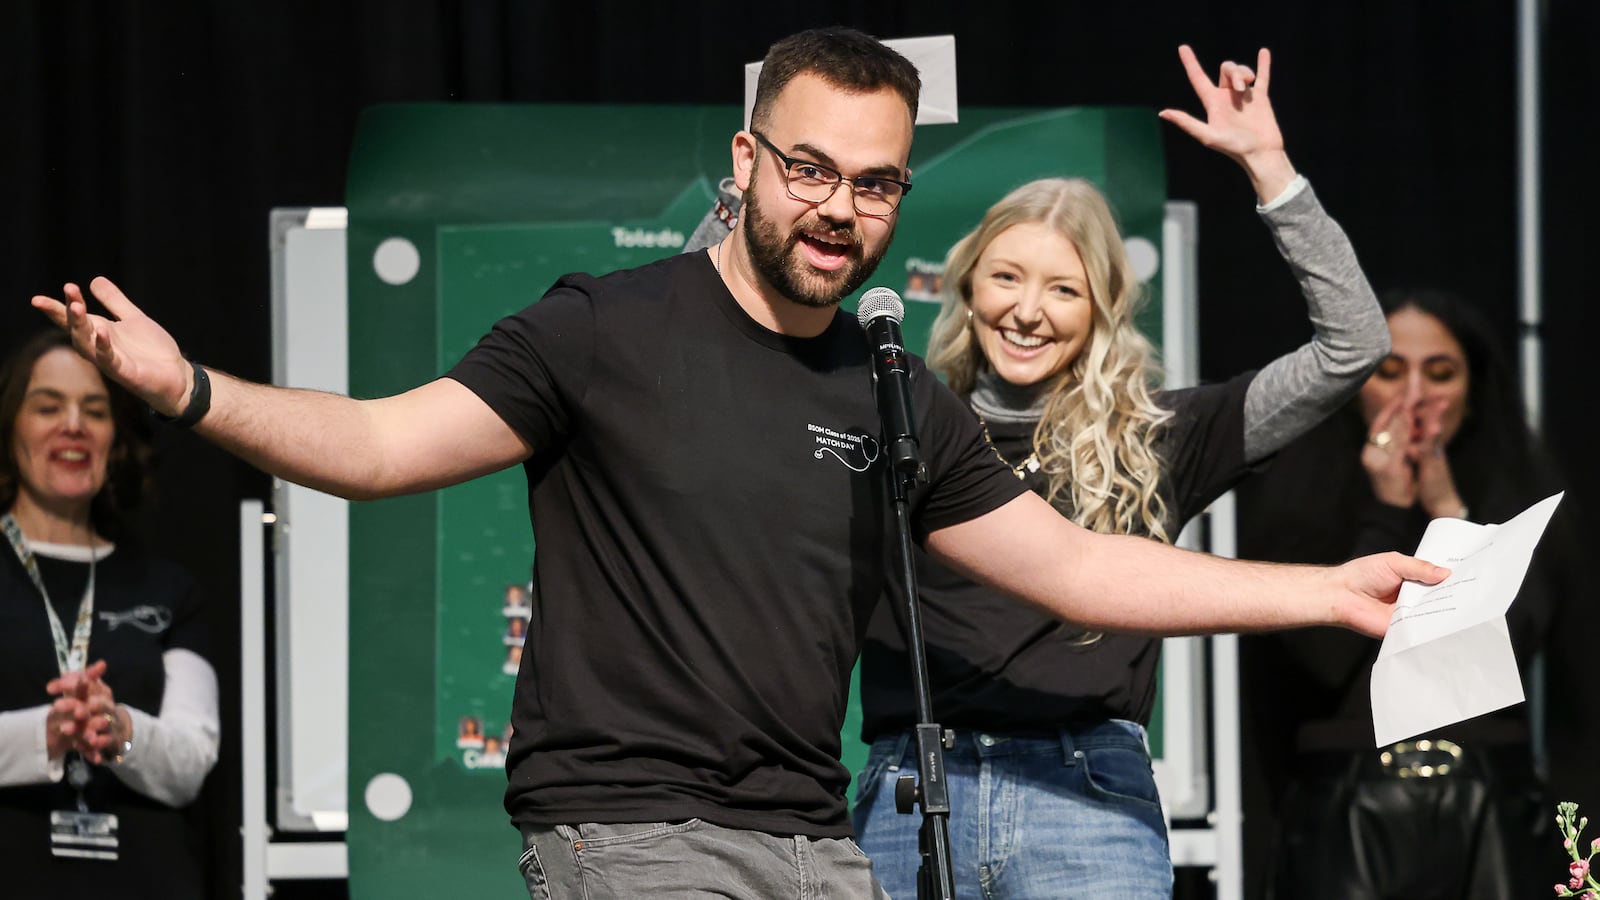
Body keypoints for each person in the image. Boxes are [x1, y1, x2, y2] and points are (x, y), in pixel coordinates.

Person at [31, 27, 1443, 899]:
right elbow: (386, 444)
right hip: (629, 835)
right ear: (749, 160)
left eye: (876, 181)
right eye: (811, 168)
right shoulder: (602, 328)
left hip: (817, 848)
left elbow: (1078, 565)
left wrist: (1325, 592)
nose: (840, 208)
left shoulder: (892, 390)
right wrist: (194, 386)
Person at [846, 46, 1389, 898]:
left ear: (1102, 308)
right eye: (1007, 277)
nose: (1028, 310)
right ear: (965, 285)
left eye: (1063, 290)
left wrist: (1268, 167)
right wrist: (743, 203)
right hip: (912, 793)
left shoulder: (1162, 432)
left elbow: (1355, 347)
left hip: (1086, 801)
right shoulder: (896, 420)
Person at [1233, 289, 1576, 899]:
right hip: (1346, 806)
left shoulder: (1519, 490)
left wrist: (1450, 513)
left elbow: (1519, 641)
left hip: (1489, 804)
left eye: (1439, 372)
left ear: (1473, 391)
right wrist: (1387, 509)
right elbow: (1320, 659)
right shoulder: (1300, 494)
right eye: (1388, 372)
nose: (1413, 394)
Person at [0, 330, 220, 900]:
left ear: (114, 438)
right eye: (48, 406)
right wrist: (45, 734)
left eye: (94, 410)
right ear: (11, 429)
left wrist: (121, 732)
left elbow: (192, 762)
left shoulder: (170, 589)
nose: (73, 424)